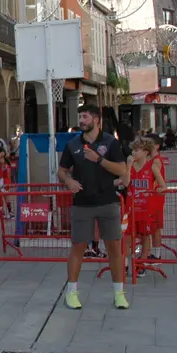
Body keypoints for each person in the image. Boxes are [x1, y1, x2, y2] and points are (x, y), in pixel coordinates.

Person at [58, 104, 129, 310]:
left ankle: (119, 294)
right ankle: (71, 293)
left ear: (96, 120)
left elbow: (122, 170)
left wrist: (99, 159)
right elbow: (62, 170)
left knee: (114, 248)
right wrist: (68, 181)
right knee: (78, 247)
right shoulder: (73, 144)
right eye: (80, 116)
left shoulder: (111, 142)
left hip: (108, 202)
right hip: (82, 204)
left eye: (85, 117)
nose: (81, 120)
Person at [127, 138, 165, 276]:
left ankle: (141, 264)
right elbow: (124, 181)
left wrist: (160, 189)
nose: (133, 152)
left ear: (145, 152)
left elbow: (163, 185)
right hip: (131, 208)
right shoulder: (130, 166)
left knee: (144, 237)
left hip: (145, 208)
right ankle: (126, 264)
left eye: (136, 150)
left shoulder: (152, 166)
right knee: (126, 238)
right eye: (133, 149)